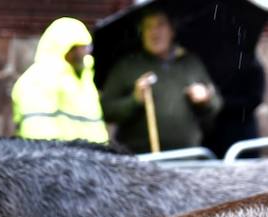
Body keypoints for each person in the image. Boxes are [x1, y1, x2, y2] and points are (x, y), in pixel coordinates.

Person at [99, 8, 222, 154]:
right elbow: (107, 110)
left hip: (187, 158)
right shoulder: (127, 66)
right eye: (148, 26)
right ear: (141, 33)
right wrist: (134, 100)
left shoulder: (191, 63)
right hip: (141, 161)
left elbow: (217, 104)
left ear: (172, 30)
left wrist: (206, 98)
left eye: (160, 25)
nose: (154, 32)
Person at [11, 17, 109, 143]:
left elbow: (96, 130)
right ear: (67, 49)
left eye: (88, 47)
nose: (86, 52)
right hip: (58, 161)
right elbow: (38, 138)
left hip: (87, 159)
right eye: (81, 47)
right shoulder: (37, 81)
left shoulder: (84, 81)